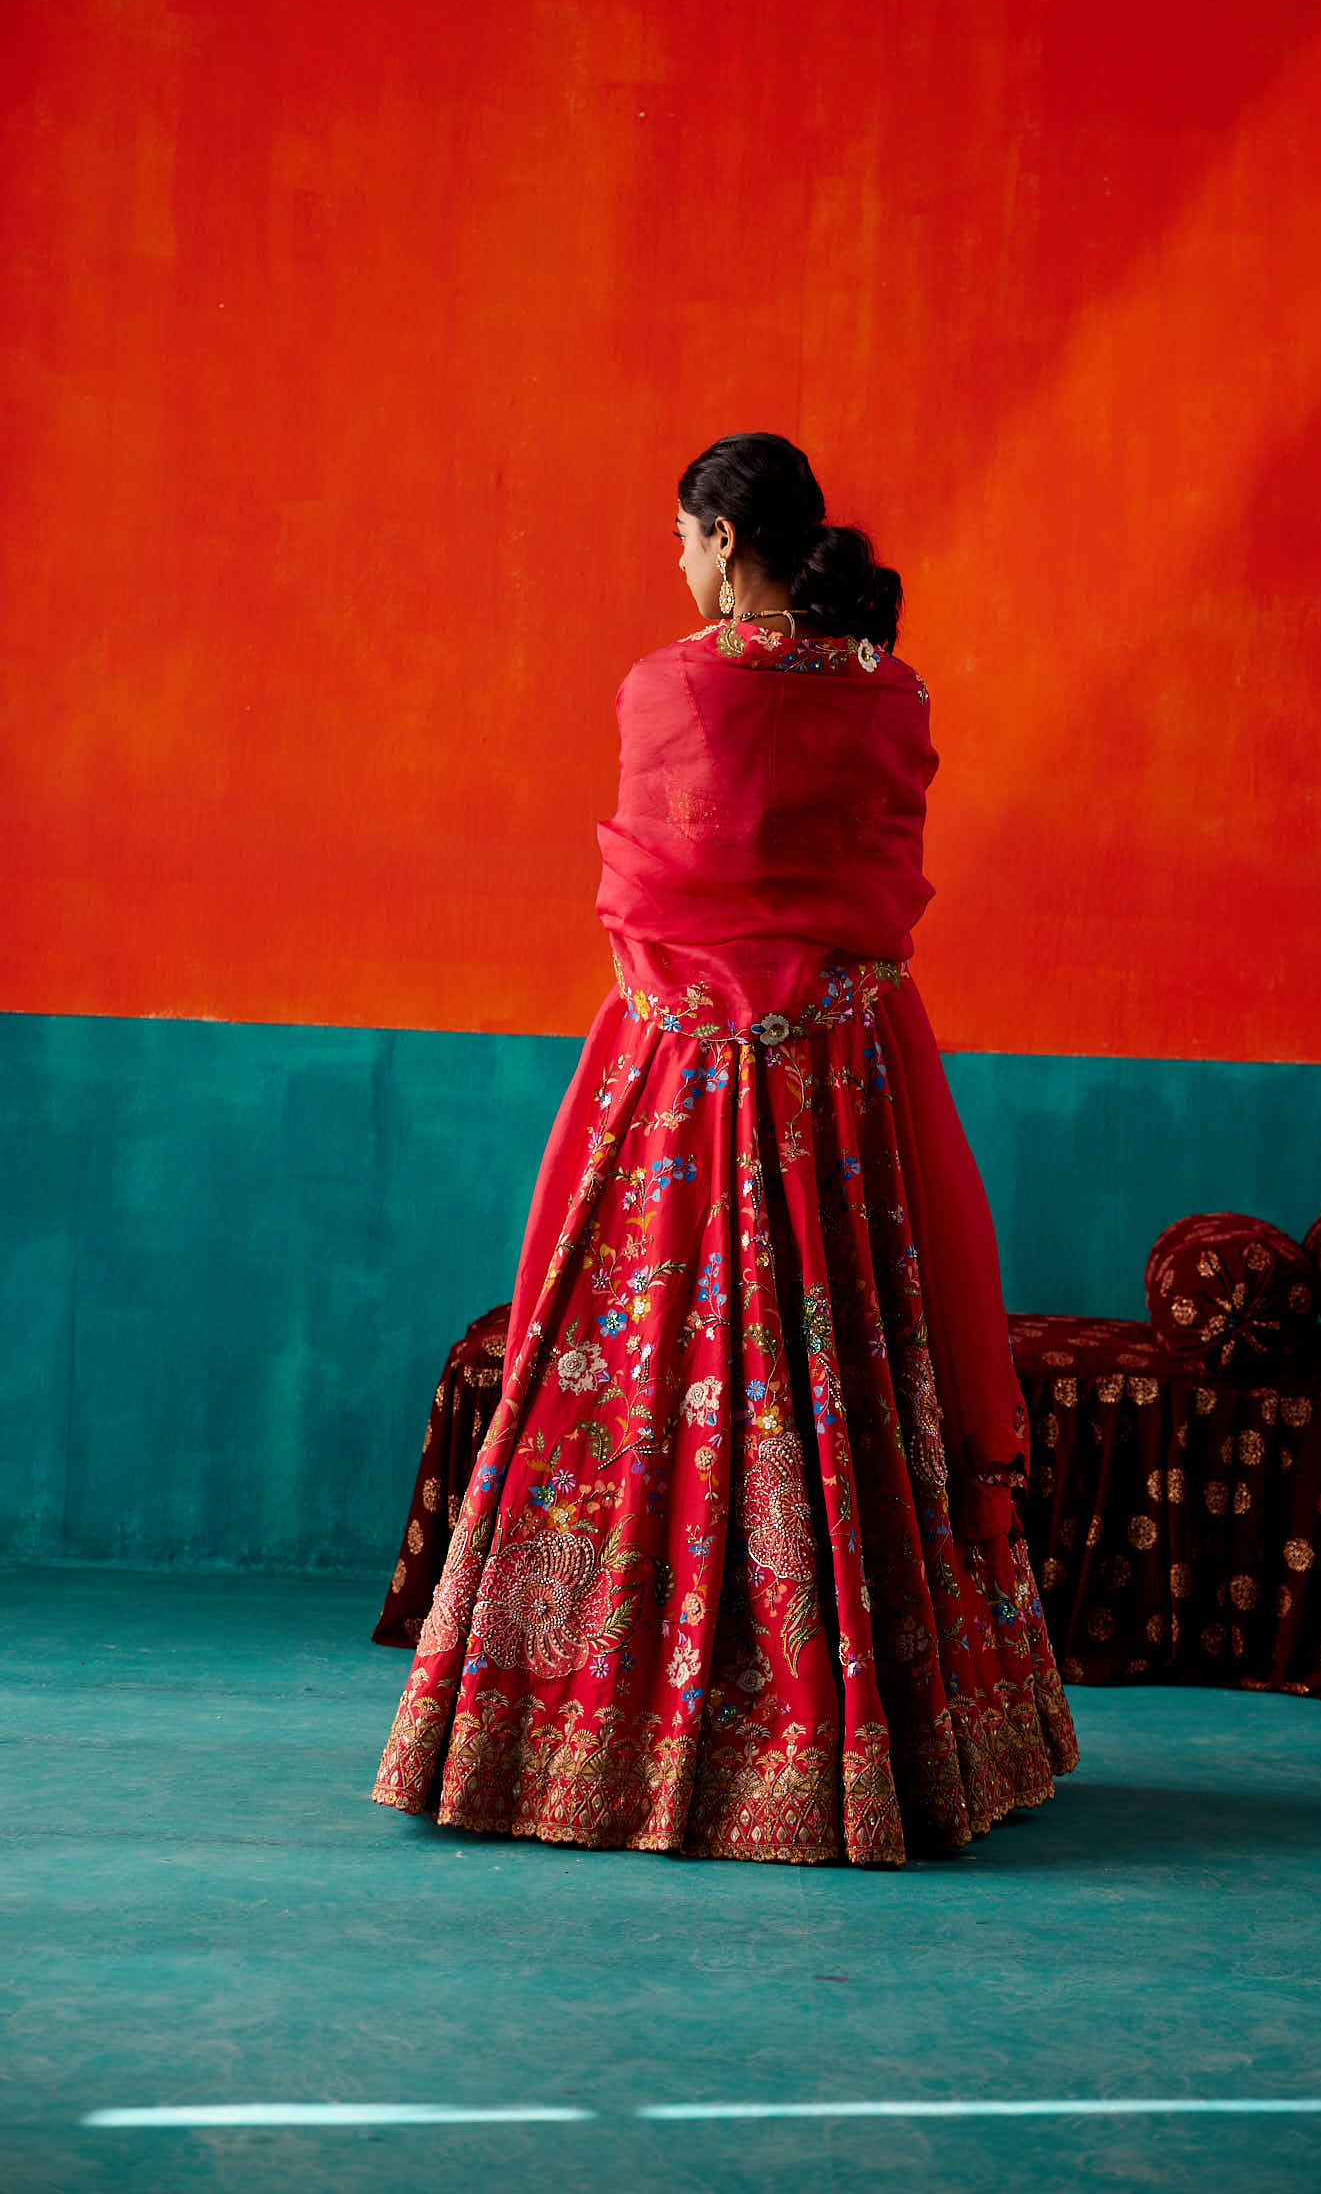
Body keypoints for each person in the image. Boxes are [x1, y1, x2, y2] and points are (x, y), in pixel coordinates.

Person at [372, 432, 1078, 1865]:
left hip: (686, 1076)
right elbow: (873, 882)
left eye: (681, 537)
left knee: (651, 1379)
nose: (676, 563)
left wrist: (699, 998)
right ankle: (880, 1736)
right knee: (855, 1367)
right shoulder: (892, 689)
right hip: (845, 1072)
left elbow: (648, 888)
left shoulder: (672, 683)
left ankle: (597, 1729)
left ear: (718, 536)